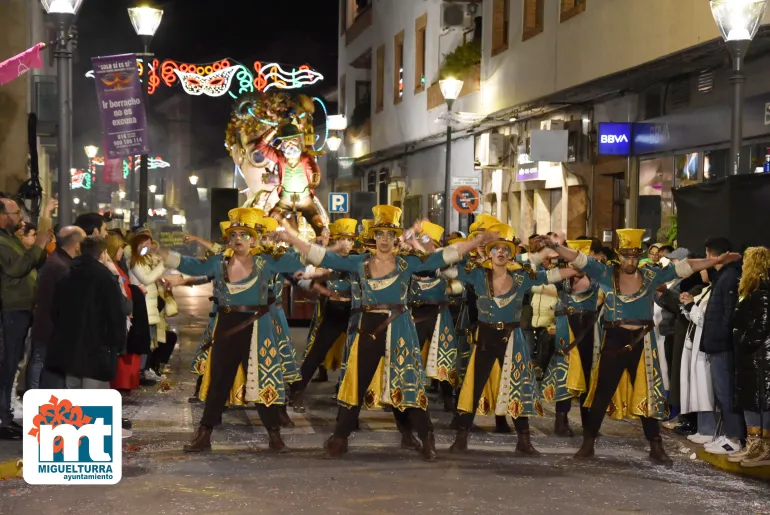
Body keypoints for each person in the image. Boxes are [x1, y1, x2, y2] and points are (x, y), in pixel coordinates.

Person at [277, 206, 496, 460]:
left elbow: (445, 255)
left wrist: (477, 241)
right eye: (379, 234)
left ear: (395, 239)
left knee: (408, 384)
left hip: (400, 328)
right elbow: (324, 257)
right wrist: (291, 238)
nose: (384, 239)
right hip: (368, 328)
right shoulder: (360, 262)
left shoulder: (407, 263)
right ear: (374, 237)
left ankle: (427, 438)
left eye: (389, 234)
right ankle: (340, 439)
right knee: (356, 384)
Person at [543, 229, 741, 465]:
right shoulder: (606, 273)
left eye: (635, 256)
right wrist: (556, 247)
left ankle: (656, 446)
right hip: (614, 341)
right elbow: (578, 258)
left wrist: (715, 260)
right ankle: (588, 444)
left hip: (643, 342)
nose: (630, 261)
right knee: (601, 394)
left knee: (650, 394)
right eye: (626, 256)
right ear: (619, 255)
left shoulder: (650, 275)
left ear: (640, 256)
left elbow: (685, 267)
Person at [158, 208, 304, 453]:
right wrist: (162, 253)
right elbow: (192, 266)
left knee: (264, 378)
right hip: (226, 325)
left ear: (254, 239)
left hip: (258, 327)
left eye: (245, 235)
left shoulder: (266, 261)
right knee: (219, 381)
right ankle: (204, 435)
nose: (238, 239)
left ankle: (275, 436)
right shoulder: (219, 261)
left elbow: (299, 260)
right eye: (234, 234)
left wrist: (291, 238)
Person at [449, 224, 578, 455]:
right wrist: (471, 244)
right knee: (473, 387)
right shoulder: (477, 275)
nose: (501, 252)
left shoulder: (522, 277)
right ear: (489, 253)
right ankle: (461, 438)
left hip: (512, 337)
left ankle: (524, 441)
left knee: (519, 387)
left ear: (511, 255)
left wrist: (564, 252)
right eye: (496, 249)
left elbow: (558, 274)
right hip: (485, 337)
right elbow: (445, 268)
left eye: (505, 249)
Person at [0, 196, 54, 440]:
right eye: (15, 214)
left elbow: (33, 262)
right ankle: (3, 419)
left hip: (21, 308)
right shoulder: (2, 242)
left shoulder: (11, 239)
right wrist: (38, 244)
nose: (20, 219)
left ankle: (6, 417)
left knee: (12, 363)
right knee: (7, 363)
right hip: (10, 310)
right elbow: (18, 267)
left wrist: (40, 246)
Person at [290, 218, 358, 412]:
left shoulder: (359, 258)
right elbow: (326, 271)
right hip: (334, 311)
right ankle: (297, 390)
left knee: (356, 354)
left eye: (350, 240)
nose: (347, 244)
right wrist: (310, 275)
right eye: (343, 240)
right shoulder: (333, 259)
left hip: (355, 312)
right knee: (316, 352)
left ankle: (349, 394)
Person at [46, 237, 129, 390]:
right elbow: (115, 314)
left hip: (69, 345)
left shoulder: (67, 272)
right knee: (94, 395)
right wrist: (118, 343)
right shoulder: (105, 277)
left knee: (73, 393)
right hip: (97, 348)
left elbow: (55, 309)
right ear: (102, 254)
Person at [700, 237, 746, 456]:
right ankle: (728, 434)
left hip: (724, 345)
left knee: (726, 392)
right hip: (719, 343)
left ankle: (734, 438)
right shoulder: (724, 276)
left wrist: (722, 339)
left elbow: (728, 314)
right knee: (721, 392)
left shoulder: (730, 277)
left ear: (711, 254)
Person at [28, 226, 86, 391]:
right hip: (52, 329)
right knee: (48, 372)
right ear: (76, 245)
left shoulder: (60, 262)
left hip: (51, 327)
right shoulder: (60, 266)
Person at [730, 246, 770, 467]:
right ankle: (753, 444)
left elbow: (762, 326)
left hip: (760, 357)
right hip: (751, 357)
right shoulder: (753, 290)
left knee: (760, 401)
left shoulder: (762, 292)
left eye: (746, 260)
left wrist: (743, 339)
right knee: (751, 400)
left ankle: (762, 449)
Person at [679, 271, 716, 446]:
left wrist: (691, 306)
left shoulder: (715, 292)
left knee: (705, 389)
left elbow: (703, 319)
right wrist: (688, 305)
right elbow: (694, 315)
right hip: (695, 345)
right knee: (699, 388)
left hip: (704, 347)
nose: (702, 271)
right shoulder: (707, 290)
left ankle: (709, 429)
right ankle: (703, 428)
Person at [128, 231, 165, 383]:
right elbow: (147, 279)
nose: (150, 247)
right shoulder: (135, 262)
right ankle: (141, 371)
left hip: (150, 306)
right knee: (145, 341)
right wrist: (162, 265)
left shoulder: (144, 260)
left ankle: (145, 369)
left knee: (150, 340)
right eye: (148, 244)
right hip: (143, 306)